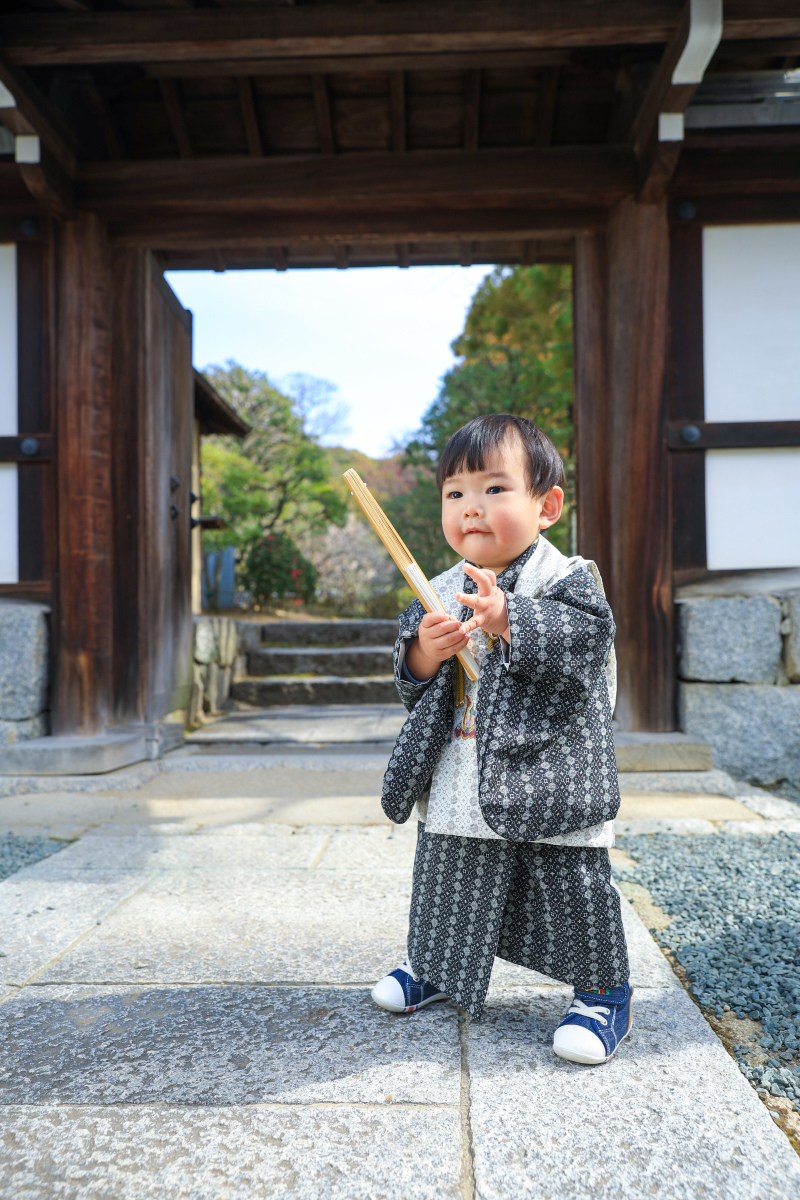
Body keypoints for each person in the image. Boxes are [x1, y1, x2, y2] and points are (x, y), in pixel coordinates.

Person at [371, 413, 631, 1065]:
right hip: (462, 767)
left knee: (569, 878)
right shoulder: (437, 587)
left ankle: (602, 993)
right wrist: (425, 654)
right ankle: (433, 966)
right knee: (446, 874)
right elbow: (409, 682)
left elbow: (586, 641)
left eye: (493, 489)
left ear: (546, 506)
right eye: (455, 493)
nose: (471, 508)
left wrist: (512, 616)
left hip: (550, 768)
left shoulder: (566, 579)